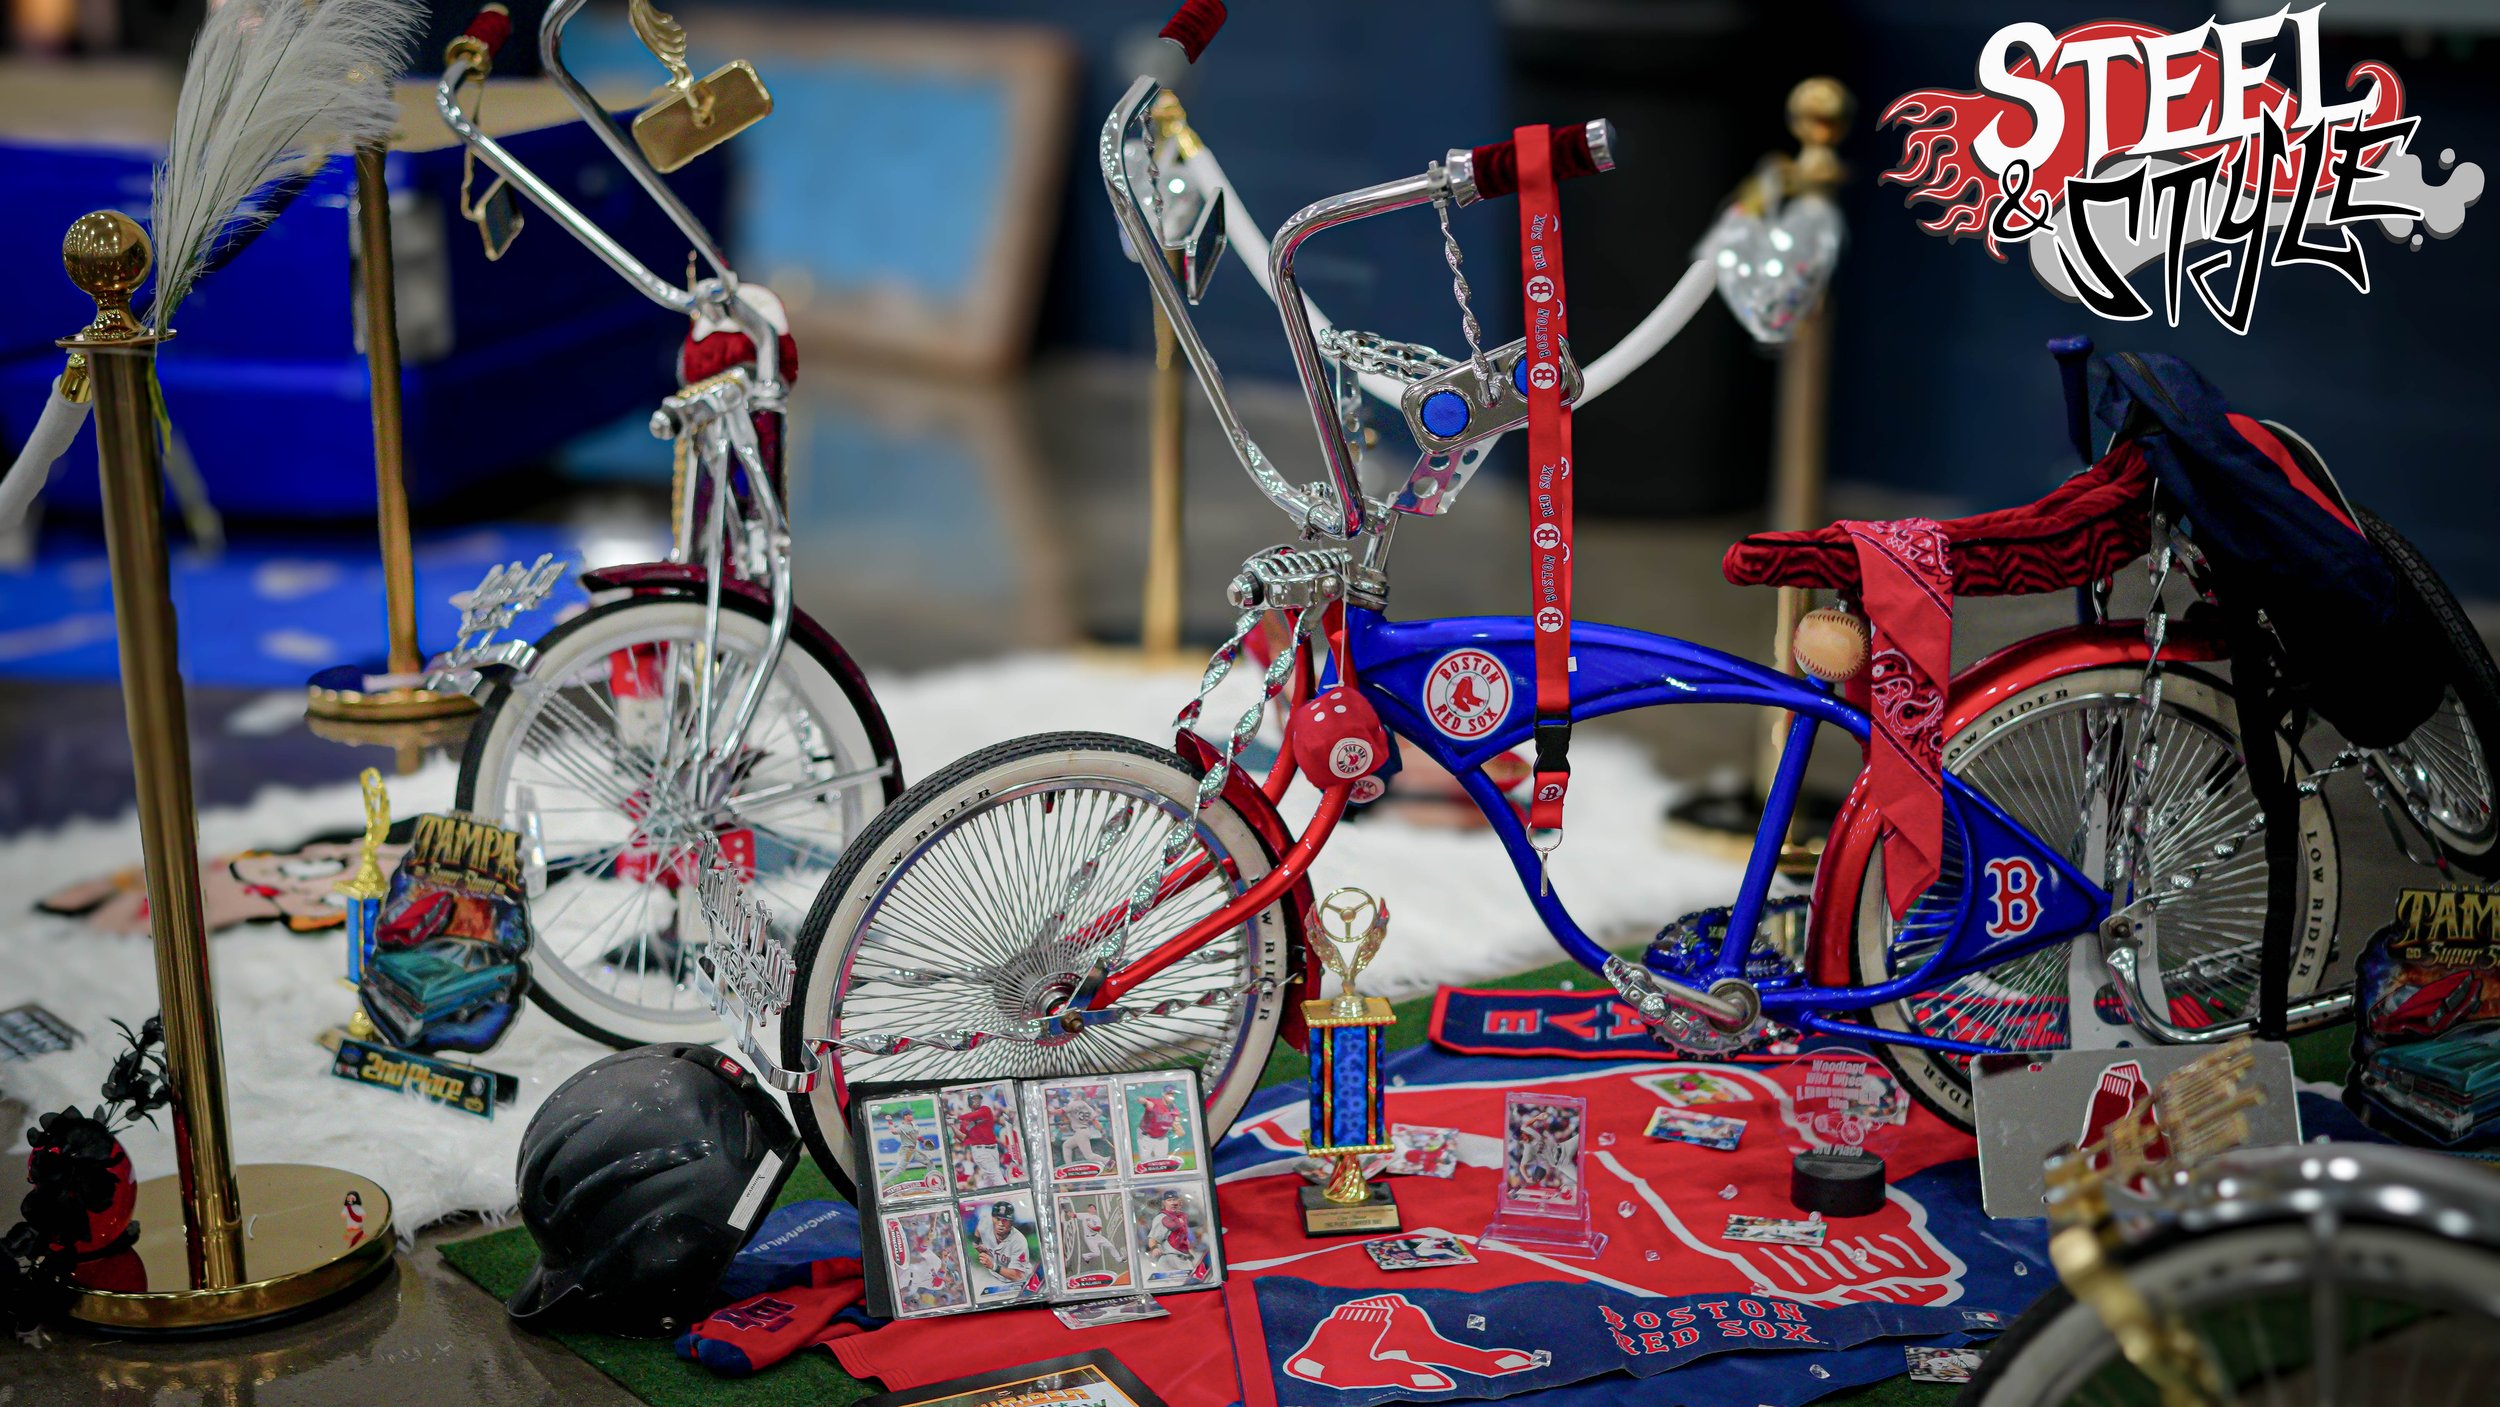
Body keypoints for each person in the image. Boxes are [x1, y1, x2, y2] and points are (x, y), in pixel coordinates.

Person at [973, 1201, 1033, 1292]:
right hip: (993, 1276)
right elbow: (979, 1229)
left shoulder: (1019, 1241)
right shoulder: (985, 1223)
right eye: (997, 1219)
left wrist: (993, 1266)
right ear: (992, 1218)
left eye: (1005, 1220)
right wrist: (976, 1243)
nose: (1001, 1223)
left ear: (1011, 1222)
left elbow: (1018, 1275)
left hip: (1019, 1282)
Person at [1142, 1189, 1200, 1279]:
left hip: (1180, 1258)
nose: (1173, 1203)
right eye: (1169, 1200)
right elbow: (1153, 1238)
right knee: (1190, 1280)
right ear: (1164, 1203)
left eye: (1174, 1200)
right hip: (1169, 1258)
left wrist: (1190, 1253)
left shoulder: (1181, 1216)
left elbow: (1182, 1238)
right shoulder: (1162, 1218)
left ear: (1179, 1201)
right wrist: (1154, 1248)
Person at [952, 1095, 1008, 1187]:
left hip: (993, 1149)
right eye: (974, 1099)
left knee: (989, 1181)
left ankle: (984, 1193)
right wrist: (952, 1125)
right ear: (969, 1102)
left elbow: (973, 1115)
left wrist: (958, 1117)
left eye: (978, 1099)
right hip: (980, 1151)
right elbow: (961, 1138)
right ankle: (1009, 1195)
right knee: (998, 1178)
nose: (977, 1101)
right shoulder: (965, 1121)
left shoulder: (985, 1109)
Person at [1054, 1092, 1112, 1170]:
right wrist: (1102, 1131)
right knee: (1066, 1146)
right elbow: (1095, 1121)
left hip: (1081, 1132)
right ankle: (1069, 1166)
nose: (1074, 1096)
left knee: (1089, 1156)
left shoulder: (1075, 1105)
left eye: (1076, 1095)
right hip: (1083, 1131)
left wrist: (1050, 1111)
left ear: (1079, 1097)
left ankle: (1106, 1160)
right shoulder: (1087, 1107)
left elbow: (1060, 1112)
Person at [1069, 1200, 1122, 1274]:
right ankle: (1085, 1256)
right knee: (1097, 1253)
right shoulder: (1084, 1215)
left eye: (1092, 1208)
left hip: (1097, 1237)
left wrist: (1091, 1227)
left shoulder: (1097, 1218)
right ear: (1088, 1209)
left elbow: (1098, 1229)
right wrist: (1069, 1213)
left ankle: (1118, 1258)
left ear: (1095, 1210)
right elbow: (1074, 1215)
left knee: (1110, 1245)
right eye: (1090, 1208)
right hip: (1089, 1238)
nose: (1091, 1209)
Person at [1133, 1090, 1183, 1165]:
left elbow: (1176, 1122)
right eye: (1168, 1094)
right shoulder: (1155, 1102)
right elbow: (1140, 1099)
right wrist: (1145, 1101)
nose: (1170, 1096)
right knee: (1145, 1161)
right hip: (1145, 1136)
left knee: (1162, 1161)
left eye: (1172, 1094)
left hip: (1161, 1138)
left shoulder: (1174, 1109)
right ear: (1163, 1094)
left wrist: (1178, 1127)